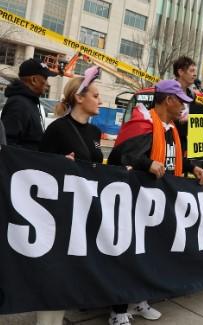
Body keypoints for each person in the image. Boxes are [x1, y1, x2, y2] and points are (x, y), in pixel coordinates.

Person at [108, 79, 203, 325]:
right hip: (137, 202)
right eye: (181, 101)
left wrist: (193, 167)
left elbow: (176, 157)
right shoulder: (142, 122)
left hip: (160, 204)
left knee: (151, 255)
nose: (184, 106)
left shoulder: (171, 128)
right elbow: (123, 154)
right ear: (169, 100)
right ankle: (118, 311)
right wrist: (146, 163)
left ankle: (139, 299)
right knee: (131, 256)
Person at [37, 66, 103, 325]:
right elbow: (36, 167)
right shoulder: (58, 128)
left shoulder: (96, 133)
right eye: (95, 95)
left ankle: (58, 319)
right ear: (79, 97)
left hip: (84, 210)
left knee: (69, 271)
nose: (100, 100)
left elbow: (97, 165)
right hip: (60, 211)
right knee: (54, 270)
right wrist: (58, 163)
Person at [1, 58, 57, 150]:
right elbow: (7, 146)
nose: (48, 84)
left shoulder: (28, 101)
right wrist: (37, 158)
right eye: (45, 78)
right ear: (34, 80)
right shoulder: (18, 104)